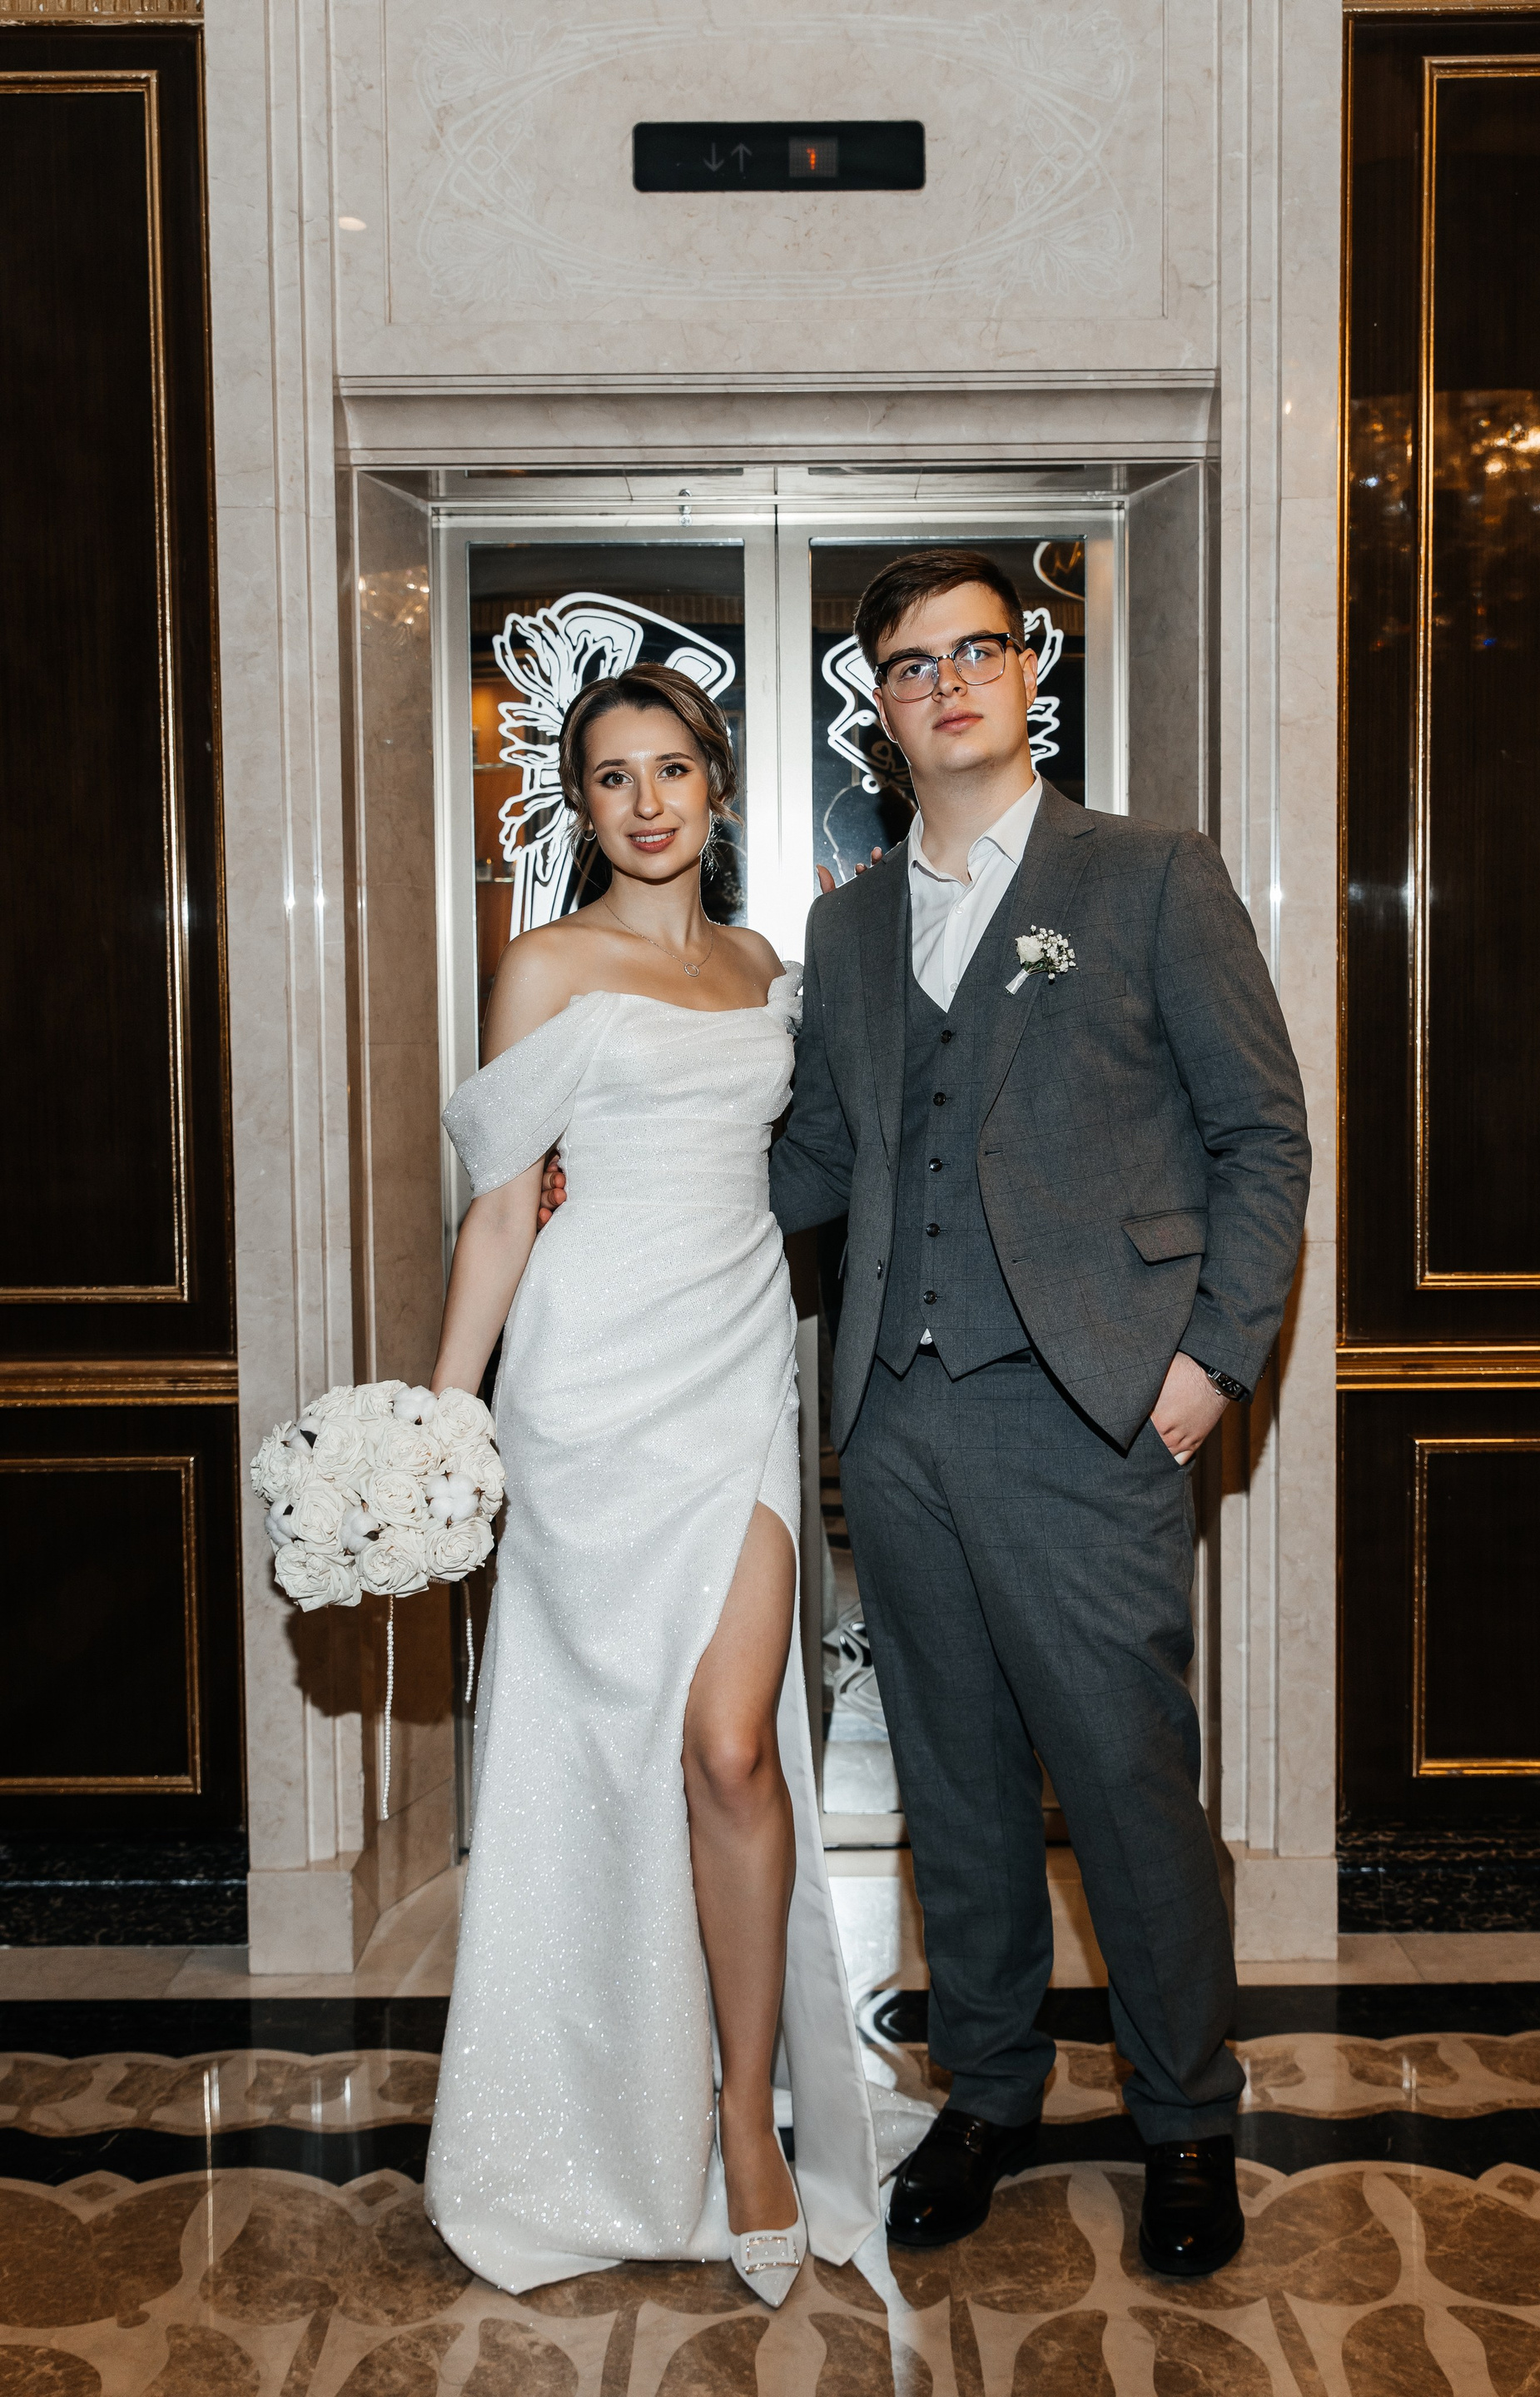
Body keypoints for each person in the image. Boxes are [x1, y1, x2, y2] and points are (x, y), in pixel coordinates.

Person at [778, 549, 1311, 2275]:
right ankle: (991, 2093)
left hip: (1092, 1413)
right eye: (910, 664)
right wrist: (622, 1178)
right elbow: (818, 1162)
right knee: (953, 1785)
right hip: (899, 1423)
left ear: (1029, 676)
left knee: (1128, 1784)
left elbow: (1261, 1134)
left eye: (977, 651)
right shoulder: (849, 924)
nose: (947, 684)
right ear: (879, 707)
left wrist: (1212, 1360)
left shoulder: (1148, 875)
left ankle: (1185, 2119)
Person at [423, 662, 878, 2303]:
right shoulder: (545, 965)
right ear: (581, 802)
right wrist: (445, 1420)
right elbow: (500, 1208)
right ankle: (619, 2106)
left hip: (737, 1370)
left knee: (734, 1748)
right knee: (612, 1758)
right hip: (583, 1391)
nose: (646, 802)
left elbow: (810, 1162)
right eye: (612, 777)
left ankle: (750, 2116)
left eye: (671, 768)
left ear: (717, 783)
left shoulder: (766, 971)